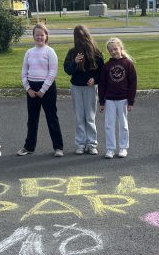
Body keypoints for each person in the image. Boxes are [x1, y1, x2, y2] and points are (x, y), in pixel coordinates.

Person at [17, 23, 64, 157]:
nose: (39, 37)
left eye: (42, 35)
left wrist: (43, 90)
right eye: (37, 35)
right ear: (33, 36)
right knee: (32, 119)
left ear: (46, 36)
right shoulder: (29, 52)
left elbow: (53, 72)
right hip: (32, 88)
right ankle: (29, 147)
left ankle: (58, 147)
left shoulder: (50, 51)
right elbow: (24, 72)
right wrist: (28, 89)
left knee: (52, 118)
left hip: (47, 88)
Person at [63, 25, 104, 155]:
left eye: (82, 36)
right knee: (79, 117)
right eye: (78, 36)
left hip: (90, 88)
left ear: (87, 35)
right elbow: (67, 70)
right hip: (76, 87)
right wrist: (75, 62)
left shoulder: (96, 52)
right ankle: (80, 143)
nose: (80, 39)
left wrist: (94, 79)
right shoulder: (72, 52)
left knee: (90, 117)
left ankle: (92, 144)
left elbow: (102, 71)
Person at [98, 37, 136, 159]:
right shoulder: (107, 66)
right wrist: (101, 102)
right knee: (109, 125)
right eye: (111, 50)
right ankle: (110, 149)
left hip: (123, 99)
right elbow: (102, 84)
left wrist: (131, 101)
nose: (113, 52)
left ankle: (123, 147)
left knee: (123, 125)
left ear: (120, 48)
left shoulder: (128, 64)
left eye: (115, 49)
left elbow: (133, 83)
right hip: (109, 100)